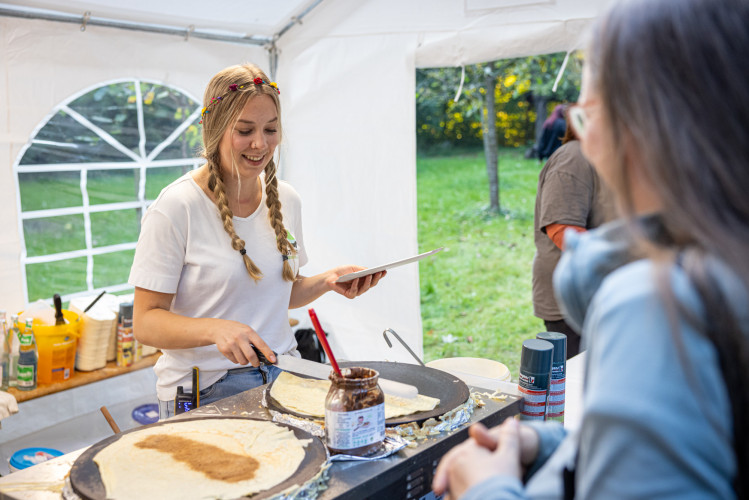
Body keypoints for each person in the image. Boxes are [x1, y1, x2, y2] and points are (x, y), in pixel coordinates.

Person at [433, 0, 748, 498]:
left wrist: (487, 487)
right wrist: (553, 443)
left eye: (589, 111)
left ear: (640, 129)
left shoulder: (655, 306)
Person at [129, 63, 385, 420]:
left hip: (283, 375)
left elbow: (277, 293)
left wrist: (327, 282)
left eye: (271, 129)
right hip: (203, 388)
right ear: (214, 129)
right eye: (245, 130)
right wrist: (215, 329)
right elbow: (145, 323)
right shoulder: (176, 208)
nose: (260, 144)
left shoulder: (287, 200)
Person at [531, 120, 612, 358]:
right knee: (575, 386)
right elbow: (563, 231)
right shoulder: (573, 158)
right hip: (573, 303)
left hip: (603, 295)